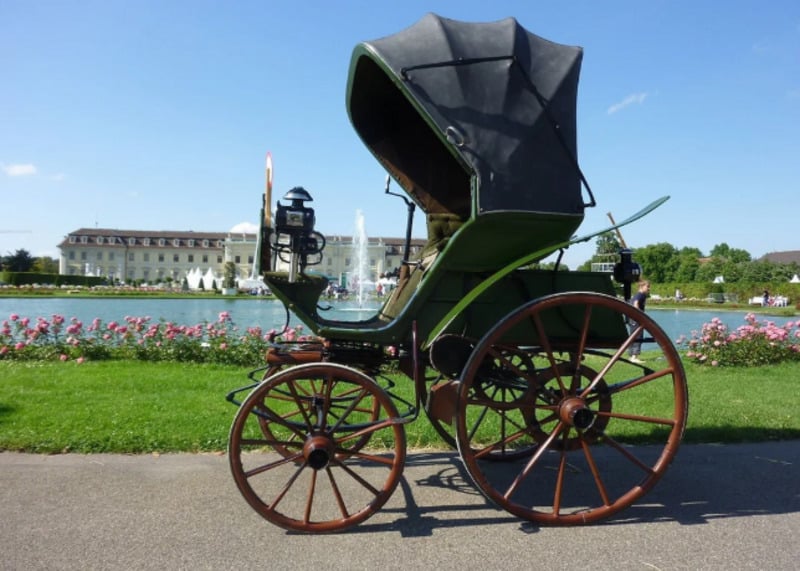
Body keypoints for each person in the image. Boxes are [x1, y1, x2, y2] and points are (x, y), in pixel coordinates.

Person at [628, 280, 651, 364]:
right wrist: (640, 315)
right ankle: (634, 356)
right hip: (636, 319)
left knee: (633, 337)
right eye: (647, 286)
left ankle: (631, 356)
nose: (649, 288)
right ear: (641, 287)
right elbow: (635, 303)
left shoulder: (639, 295)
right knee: (638, 336)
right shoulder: (640, 295)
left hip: (632, 319)